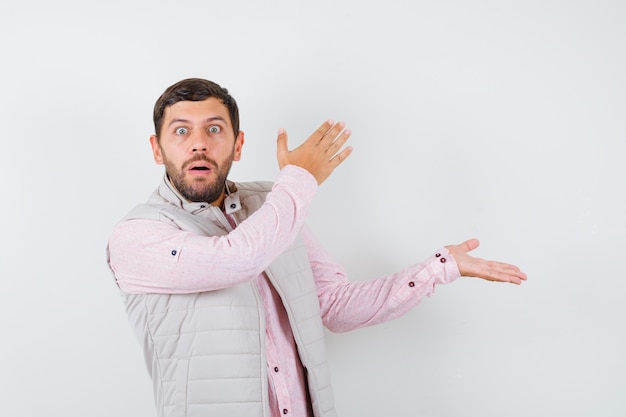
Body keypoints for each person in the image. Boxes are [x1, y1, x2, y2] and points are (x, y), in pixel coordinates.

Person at [106, 78, 527, 417]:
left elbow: (333, 306)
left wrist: (440, 267)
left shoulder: (272, 204)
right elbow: (237, 259)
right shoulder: (138, 235)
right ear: (157, 148)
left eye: (214, 129)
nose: (199, 143)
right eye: (181, 131)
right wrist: (300, 178)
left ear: (237, 145)